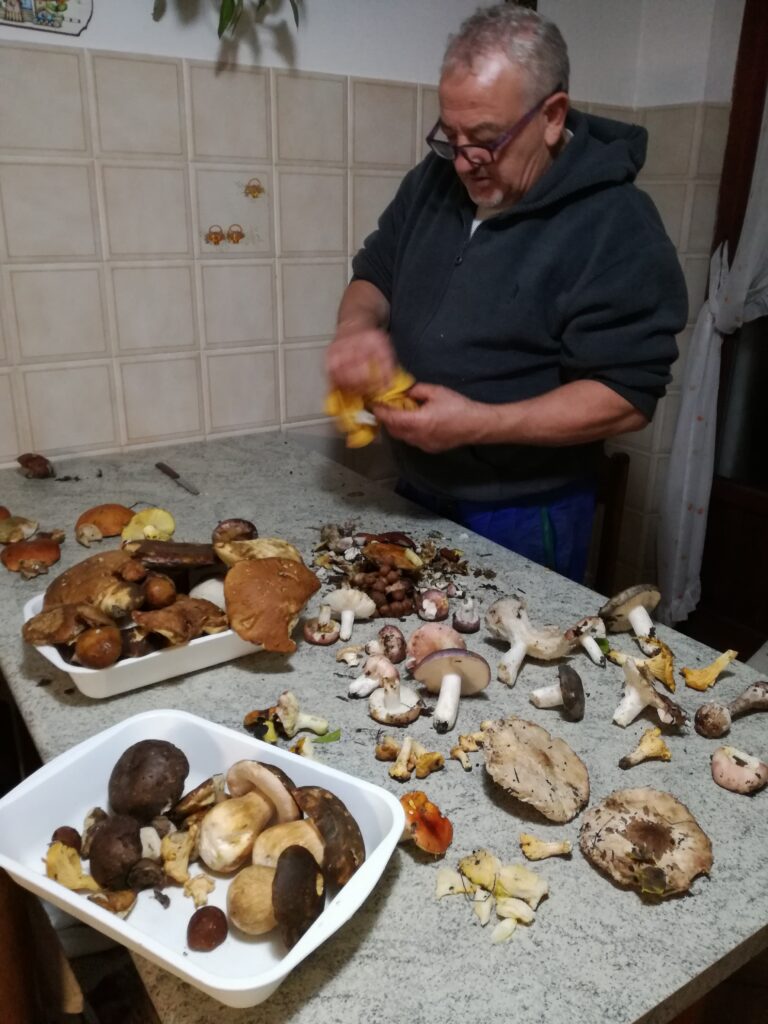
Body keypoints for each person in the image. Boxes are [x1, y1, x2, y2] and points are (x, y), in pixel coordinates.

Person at [325, 3, 687, 583]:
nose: (464, 162)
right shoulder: (433, 179)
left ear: (552, 116)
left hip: (526, 510)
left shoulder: (616, 223)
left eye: (487, 140)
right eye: (451, 136)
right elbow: (376, 271)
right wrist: (355, 329)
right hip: (418, 485)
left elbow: (627, 395)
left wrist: (479, 422)